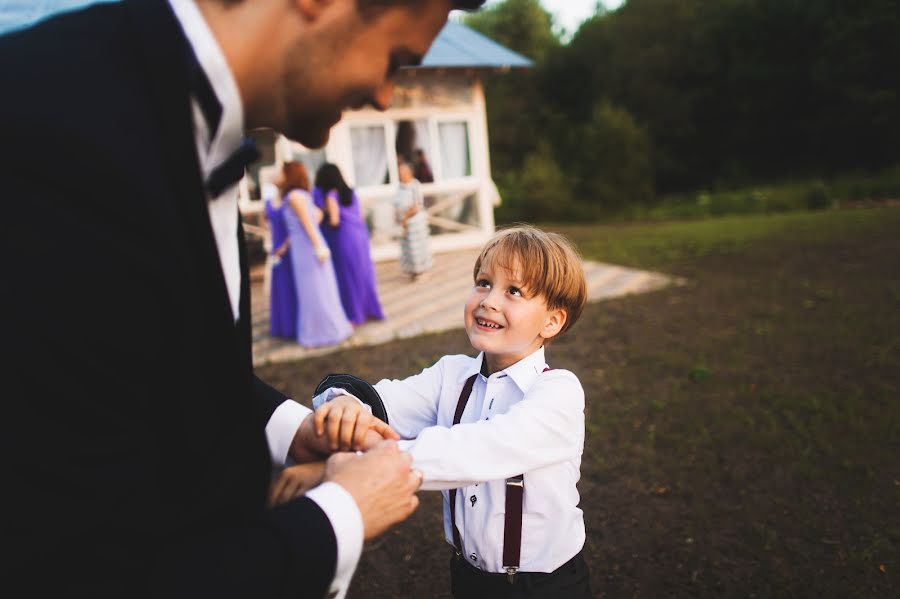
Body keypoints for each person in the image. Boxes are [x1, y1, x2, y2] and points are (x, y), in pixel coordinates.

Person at [0, 0, 486, 597]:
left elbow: (156, 363)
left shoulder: (195, 132)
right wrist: (340, 517)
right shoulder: (43, 131)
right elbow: (76, 563)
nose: (386, 96)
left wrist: (293, 431)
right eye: (396, 59)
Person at [309, 225, 593, 598]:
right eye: (483, 282)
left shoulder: (558, 391)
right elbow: (380, 401)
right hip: (467, 578)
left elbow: (476, 450)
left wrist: (363, 466)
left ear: (551, 321)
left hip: (543, 586)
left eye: (514, 291)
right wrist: (345, 405)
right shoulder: (451, 375)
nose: (489, 300)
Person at [278, 161, 353, 347]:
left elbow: (307, 222)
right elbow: (317, 216)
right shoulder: (303, 195)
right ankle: (329, 327)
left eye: (280, 172)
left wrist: (318, 246)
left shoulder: (295, 196)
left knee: (313, 290)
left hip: (307, 249)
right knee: (321, 288)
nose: (276, 174)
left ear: (289, 175)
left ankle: (320, 332)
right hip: (307, 246)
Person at [313, 162, 385, 325]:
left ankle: (353, 314)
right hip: (360, 236)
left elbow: (335, 221)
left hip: (343, 238)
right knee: (363, 274)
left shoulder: (331, 195)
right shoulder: (351, 192)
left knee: (347, 277)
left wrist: (324, 214)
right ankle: (368, 309)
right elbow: (359, 215)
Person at [263, 180, 298, 339]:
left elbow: (295, 226)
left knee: (291, 284)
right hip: (275, 248)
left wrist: (285, 246)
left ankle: (294, 323)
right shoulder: (268, 202)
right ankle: (282, 324)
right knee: (279, 285)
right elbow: (266, 224)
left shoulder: (289, 199)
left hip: (288, 249)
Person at [394, 160, 433, 280]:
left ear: (409, 172)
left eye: (403, 171)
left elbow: (417, 205)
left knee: (418, 247)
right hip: (404, 222)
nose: (401, 174)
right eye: (400, 171)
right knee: (407, 248)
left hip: (415, 221)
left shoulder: (415, 185)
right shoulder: (400, 186)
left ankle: (422, 271)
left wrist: (406, 218)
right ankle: (412, 270)